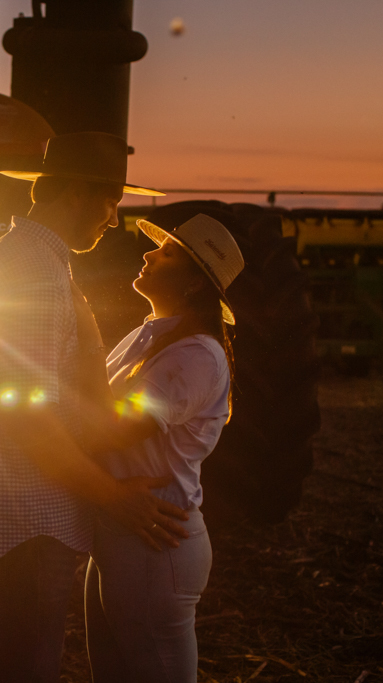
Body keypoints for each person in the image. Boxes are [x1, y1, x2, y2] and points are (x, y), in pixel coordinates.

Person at [0, 131, 190, 683]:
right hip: (28, 515)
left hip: (26, 511)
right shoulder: (32, 272)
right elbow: (25, 415)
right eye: (110, 202)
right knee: (27, 670)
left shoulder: (31, 260)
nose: (114, 219)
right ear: (77, 193)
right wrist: (114, 497)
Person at [85, 213, 245, 683]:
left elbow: (117, 429)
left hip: (155, 542)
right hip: (125, 527)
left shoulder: (196, 355)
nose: (148, 253)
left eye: (167, 252)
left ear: (194, 284)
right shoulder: (148, 337)